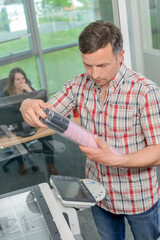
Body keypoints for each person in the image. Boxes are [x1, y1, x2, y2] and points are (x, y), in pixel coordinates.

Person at [20, 21, 160, 240]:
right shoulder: (78, 85)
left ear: (120, 55)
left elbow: (158, 151)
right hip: (98, 192)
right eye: (88, 65)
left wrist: (116, 160)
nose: (94, 74)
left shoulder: (145, 93)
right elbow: (44, 116)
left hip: (137, 195)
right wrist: (27, 104)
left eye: (102, 65)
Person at [3, 67, 58, 176]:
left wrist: (29, 91)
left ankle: (50, 165)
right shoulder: (6, 94)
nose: (21, 81)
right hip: (15, 128)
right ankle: (21, 163)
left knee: (48, 138)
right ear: (12, 82)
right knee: (17, 143)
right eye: (18, 79)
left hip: (32, 123)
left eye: (23, 78)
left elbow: (42, 104)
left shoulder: (29, 89)